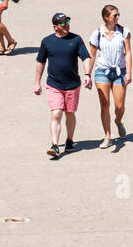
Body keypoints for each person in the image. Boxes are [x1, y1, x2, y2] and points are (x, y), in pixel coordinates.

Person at [34, 12, 92, 159]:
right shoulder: (47, 41)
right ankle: (54, 145)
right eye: (62, 23)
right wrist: (37, 83)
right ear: (55, 27)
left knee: (70, 113)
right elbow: (40, 62)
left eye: (67, 22)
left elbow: (85, 57)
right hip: (54, 85)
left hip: (73, 85)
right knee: (56, 113)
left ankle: (69, 140)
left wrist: (87, 74)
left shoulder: (76, 39)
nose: (66, 25)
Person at [88, 4, 132, 149]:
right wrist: (87, 74)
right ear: (106, 17)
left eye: (118, 14)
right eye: (115, 15)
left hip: (120, 71)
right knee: (105, 105)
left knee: (119, 106)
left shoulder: (124, 32)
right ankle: (108, 136)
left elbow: (128, 52)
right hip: (102, 71)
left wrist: (129, 72)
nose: (117, 17)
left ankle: (118, 121)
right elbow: (92, 55)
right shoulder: (97, 33)